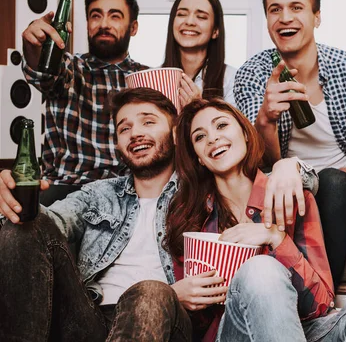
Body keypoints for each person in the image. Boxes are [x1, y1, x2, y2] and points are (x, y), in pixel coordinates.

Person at [0, 87, 317, 341]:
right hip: (88, 319)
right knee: (24, 225)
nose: (135, 132)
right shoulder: (98, 193)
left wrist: (290, 165)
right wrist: (13, 202)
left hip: (165, 319)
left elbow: (251, 175)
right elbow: (49, 225)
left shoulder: (200, 191)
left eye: (148, 121)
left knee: (150, 292)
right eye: (124, 128)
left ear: (177, 132)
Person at [165, 98, 346, 342]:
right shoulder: (190, 217)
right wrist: (182, 297)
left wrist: (277, 239)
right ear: (198, 158)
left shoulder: (294, 197)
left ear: (246, 134)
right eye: (199, 137)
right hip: (233, 332)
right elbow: (194, 326)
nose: (213, 138)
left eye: (221, 126)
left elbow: (321, 304)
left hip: (303, 331)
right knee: (260, 269)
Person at [235, 0, 346, 287]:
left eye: (296, 8)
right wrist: (267, 118)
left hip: (345, 187)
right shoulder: (253, 74)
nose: (285, 17)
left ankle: (319, 294)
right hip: (283, 185)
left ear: (317, 16)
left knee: (334, 182)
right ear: (267, 20)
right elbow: (256, 163)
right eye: (275, 10)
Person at [21, 0, 147, 205]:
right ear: (87, 23)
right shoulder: (70, 66)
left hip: (127, 194)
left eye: (115, 16)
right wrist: (33, 46)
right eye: (96, 15)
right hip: (65, 191)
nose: (104, 24)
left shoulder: (146, 79)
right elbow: (43, 74)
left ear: (134, 27)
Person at [161, 0, 237, 108]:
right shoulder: (153, 78)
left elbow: (237, 127)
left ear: (215, 31)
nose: (190, 22)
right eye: (181, 14)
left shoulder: (232, 79)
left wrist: (197, 106)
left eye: (201, 17)